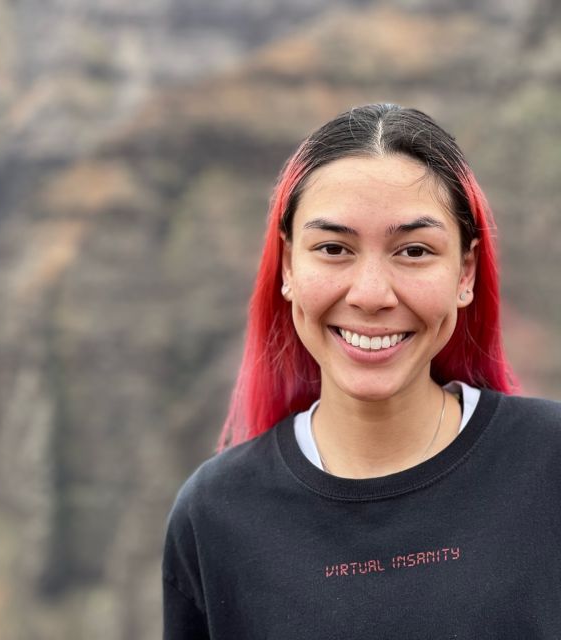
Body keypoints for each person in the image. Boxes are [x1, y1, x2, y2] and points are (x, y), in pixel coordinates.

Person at [162, 104, 561, 639]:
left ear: (465, 272)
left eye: (414, 251)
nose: (371, 295)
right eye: (333, 249)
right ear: (286, 267)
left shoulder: (548, 464)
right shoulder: (215, 514)